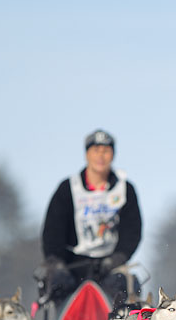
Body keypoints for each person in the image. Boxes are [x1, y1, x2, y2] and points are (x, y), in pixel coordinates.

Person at [35, 129, 143, 309]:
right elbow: (53, 230)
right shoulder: (68, 189)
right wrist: (56, 261)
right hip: (72, 264)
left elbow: (132, 230)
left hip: (110, 265)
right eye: (96, 150)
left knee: (126, 286)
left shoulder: (125, 189)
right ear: (87, 154)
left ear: (113, 155)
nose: (101, 156)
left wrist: (118, 257)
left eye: (106, 151)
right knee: (57, 284)